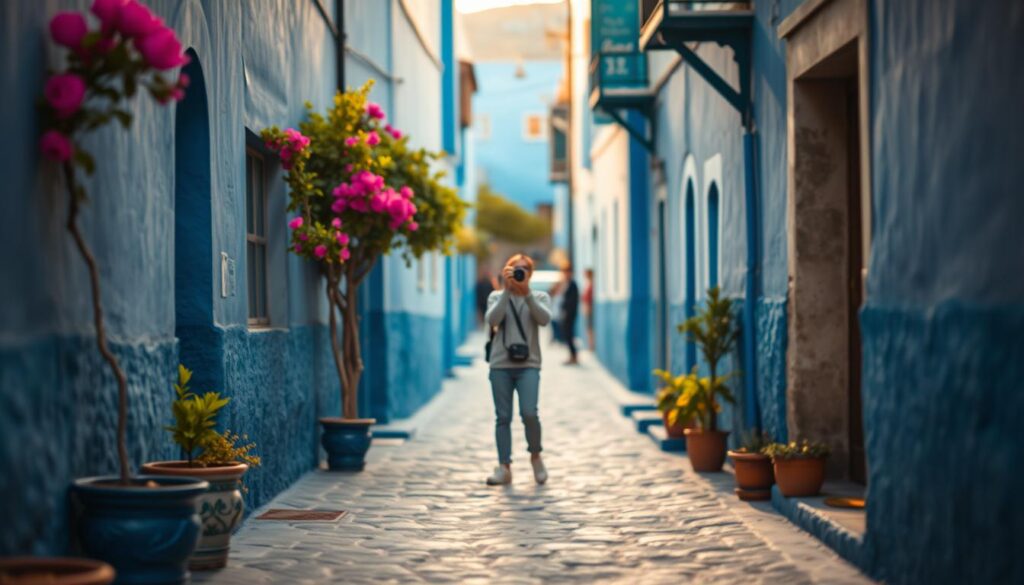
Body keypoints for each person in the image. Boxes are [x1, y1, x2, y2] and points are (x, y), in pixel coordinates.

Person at [484, 253, 552, 486]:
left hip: (529, 365)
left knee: (529, 413)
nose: (520, 272)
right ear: (507, 271)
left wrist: (527, 294)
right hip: (500, 365)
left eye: (524, 269)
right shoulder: (496, 296)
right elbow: (492, 320)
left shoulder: (540, 296)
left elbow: (544, 320)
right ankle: (504, 467)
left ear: (530, 274)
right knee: (502, 417)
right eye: (515, 269)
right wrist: (506, 290)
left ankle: (536, 456)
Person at [559, 264, 579, 365]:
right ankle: (572, 355)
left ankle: (574, 356)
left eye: (566, 272)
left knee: (569, 335)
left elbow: (572, 302)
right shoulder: (567, 283)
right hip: (567, 314)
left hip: (570, 315)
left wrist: (567, 313)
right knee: (568, 336)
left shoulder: (573, 284)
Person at [582, 268, 594, 350]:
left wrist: (588, 309)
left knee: (589, 327)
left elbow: (588, 299)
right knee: (588, 327)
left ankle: (591, 345)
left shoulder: (590, 285)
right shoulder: (587, 284)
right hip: (587, 308)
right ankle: (590, 344)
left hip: (589, 309)